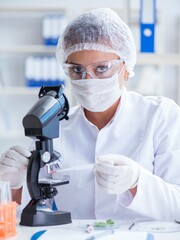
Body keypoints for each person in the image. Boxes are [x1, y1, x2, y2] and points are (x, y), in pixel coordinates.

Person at [0, 8, 180, 222]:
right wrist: (14, 185)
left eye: (101, 68)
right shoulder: (54, 130)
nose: (88, 79)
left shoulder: (161, 116)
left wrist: (137, 182)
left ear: (126, 67)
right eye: (77, 70)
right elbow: (25, 218)